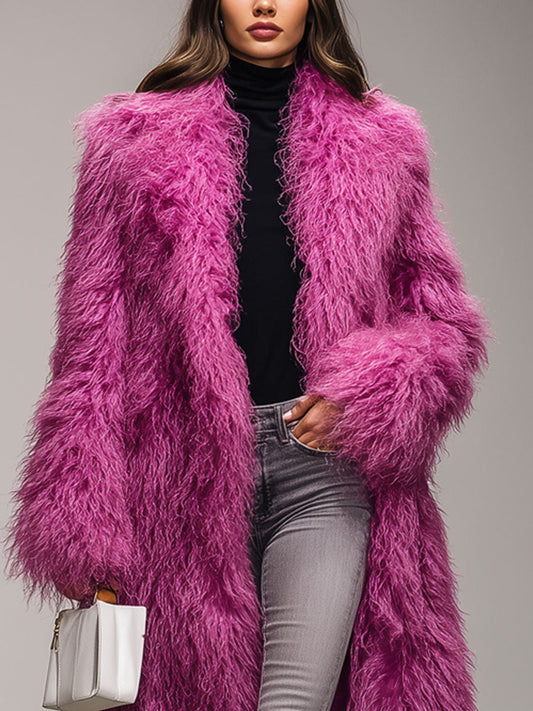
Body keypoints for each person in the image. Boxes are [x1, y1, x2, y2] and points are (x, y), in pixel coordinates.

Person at [4, 1, 492, 710]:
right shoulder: (130, 144)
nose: (264, 4)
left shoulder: (382, 143)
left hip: (322, 471)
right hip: (181, 475)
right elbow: (91, 348)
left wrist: (368, 393)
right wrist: (85, 525)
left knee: (292, 699)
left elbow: (441, 319)